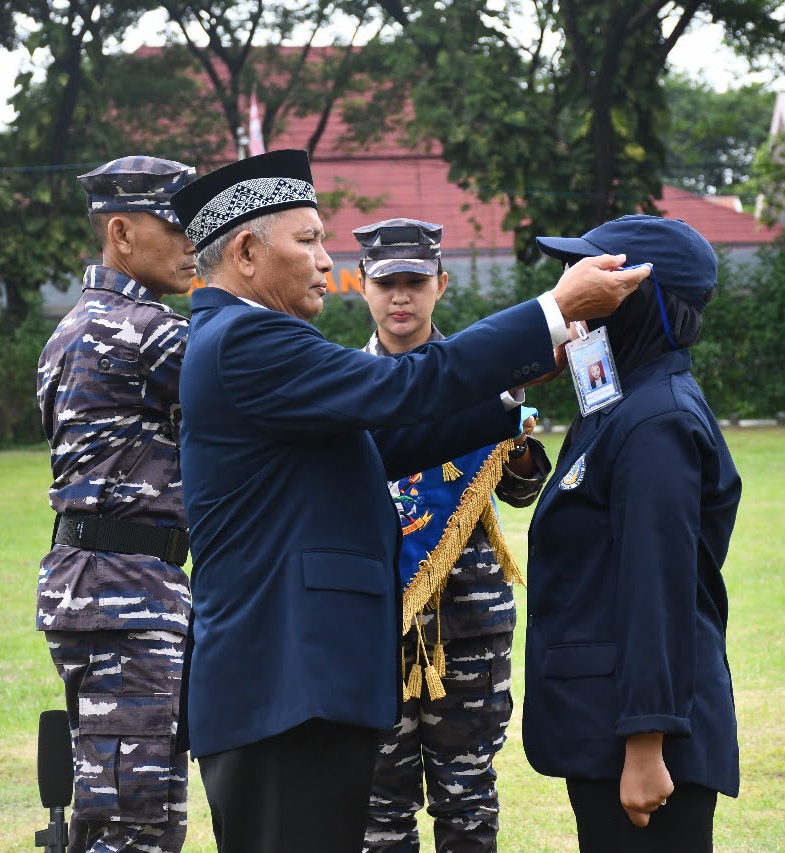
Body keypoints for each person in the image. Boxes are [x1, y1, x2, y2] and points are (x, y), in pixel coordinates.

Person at [168, 149, 650, 853]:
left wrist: (512, 390)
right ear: (245, 251)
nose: (324, 261)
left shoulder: (246, 338)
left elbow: (381, 441)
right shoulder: (246, 340)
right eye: (307, 241)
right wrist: (554, 310)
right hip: (284, 690)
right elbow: (402, 389)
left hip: (299, 687)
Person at [522, 214, 742, 852]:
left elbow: (658, 589)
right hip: (609, 725)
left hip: (644, 742)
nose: (574, 290)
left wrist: (646, 745)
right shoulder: (621, 402)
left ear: (637, 301)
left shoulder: (656, 423)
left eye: (593, 277)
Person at [353, 218, 552, 852]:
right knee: (379, 807)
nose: (401, 297)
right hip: (373, 624)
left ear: (441, 284)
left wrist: (517, 450)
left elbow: (517, 493)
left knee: (467, 798)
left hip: (467, 620)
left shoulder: (481, 375)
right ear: (362, 288)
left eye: (415, 282)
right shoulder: (341, 386)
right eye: (387, 284)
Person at [35, 156, 197, 853]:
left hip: (101, 590)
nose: (195, 242)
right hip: (125, 596)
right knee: (135, 825)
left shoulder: (71, 329)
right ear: (122, 233)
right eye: (177, 225)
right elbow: (256, 381)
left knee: (136, 812)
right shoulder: (145, 331)